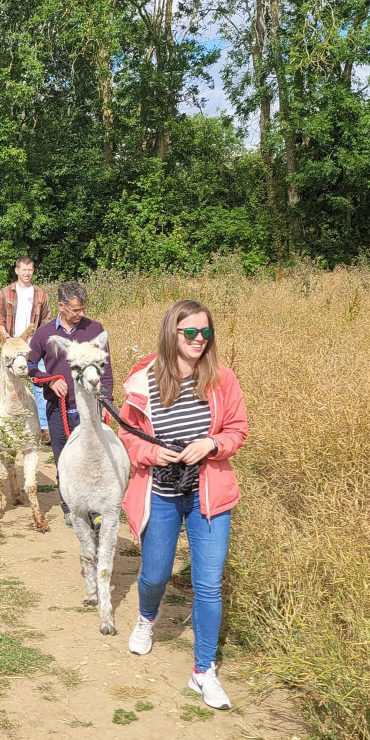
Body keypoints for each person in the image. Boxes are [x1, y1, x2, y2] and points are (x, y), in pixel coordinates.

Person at [118, 299, 248, 711]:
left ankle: (203, 671)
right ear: (171, 333)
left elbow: (237, 430)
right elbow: (125, 432)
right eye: (190, 332)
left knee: (208, 584)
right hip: (161, 491)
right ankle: (147, 619)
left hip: (209, 494)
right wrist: (150, 455)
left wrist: (211, 443)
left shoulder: (222, 379)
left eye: (205, 333)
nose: (198, 340)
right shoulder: (143, 380)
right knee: (155, 574)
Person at [27, 280, 114, 525]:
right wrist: (50, 380)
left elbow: (105, 368)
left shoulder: (94, 329)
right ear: (61, 306)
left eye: (83, 308)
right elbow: (30, 366)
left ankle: (96, 510)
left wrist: (107, 400)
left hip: (90, 408)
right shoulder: (44, 334)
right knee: (64, 460)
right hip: (59, 409)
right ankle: (71, 507)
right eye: (76, 310)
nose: (81, 314)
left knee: (93, 459)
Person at [0, 256, 51, 443]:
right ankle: (7, 422)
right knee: (10, 385)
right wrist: (6, 337)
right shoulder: (5, 293)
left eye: (30, 270)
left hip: (32, 345)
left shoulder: (41, 294)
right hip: (13, 346)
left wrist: (38, 338)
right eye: (24, 270)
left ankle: (43, 428)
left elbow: (47, 320)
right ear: (17, 270)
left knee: (39, 385)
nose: (27, 273)